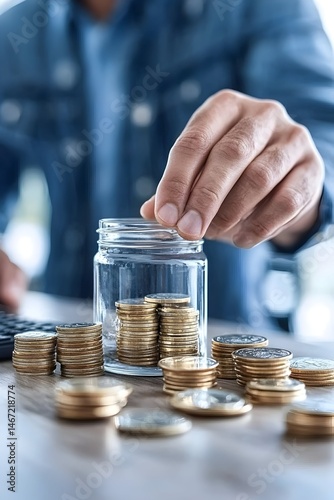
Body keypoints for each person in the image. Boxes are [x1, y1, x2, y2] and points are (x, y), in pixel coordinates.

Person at [0, 0, 334, 329]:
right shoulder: (14, 33)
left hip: (225, 348)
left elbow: (321, 151)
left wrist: (298, 190)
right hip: (70, 347)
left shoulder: (261, 6)